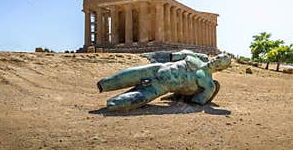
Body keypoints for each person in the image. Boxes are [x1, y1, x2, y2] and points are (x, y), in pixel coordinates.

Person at [97, 53, 231, 111]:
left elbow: (196, 101)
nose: (216, 61)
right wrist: (152, 55)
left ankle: (112, 104)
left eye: (220, 62)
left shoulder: (209, 84)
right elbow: (171, 56)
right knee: (118, 78)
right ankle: (104, 85)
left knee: (119, 103)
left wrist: (179, 96)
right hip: (156, 69)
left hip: (160, 87)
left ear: (221, 68)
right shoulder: (193, 56)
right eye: (218, 58)